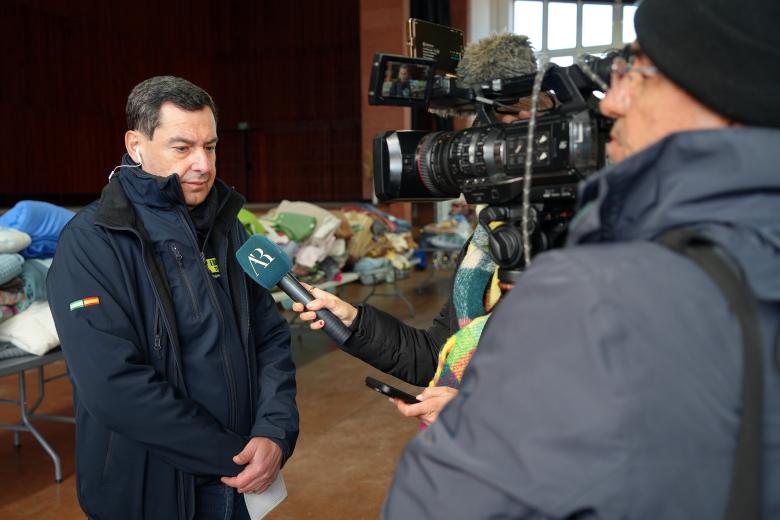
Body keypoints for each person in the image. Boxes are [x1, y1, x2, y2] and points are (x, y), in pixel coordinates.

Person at [383, 0, 780, 518]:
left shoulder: (594, 292)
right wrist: (351, 325)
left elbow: (432, 506)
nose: (611, 104)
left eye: (638, 72)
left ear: (718, 86)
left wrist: (488, 415)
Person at [47, 76, 299, 520]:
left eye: (211, 146)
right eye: (182, 148)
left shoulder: (228, 228)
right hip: (153, 492)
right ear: (136, 145)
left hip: (243, 481)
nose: (202, 164)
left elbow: (271, 338)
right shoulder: (93, 242)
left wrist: (274, 432)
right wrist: (234, 454)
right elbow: (113, 386)